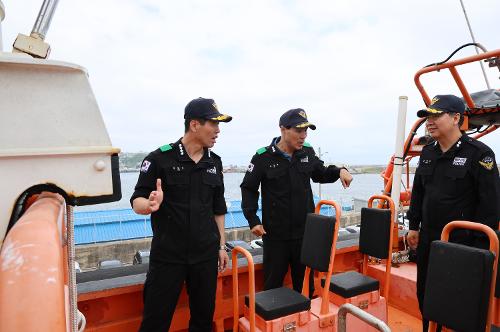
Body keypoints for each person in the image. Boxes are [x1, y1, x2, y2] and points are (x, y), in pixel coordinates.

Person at [131, 97, 232, 332]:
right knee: (155, 322)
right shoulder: (159, 159)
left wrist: (221, 246)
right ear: (194, 125)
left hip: (205, 256)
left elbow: (218, 209)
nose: (218, 130)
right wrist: (150, 204)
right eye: (213, 124)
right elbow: (137, 201)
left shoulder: (214, 163)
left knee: (203, 321)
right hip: (168, 257)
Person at [406, 94, 500, 332]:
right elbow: (418, 193)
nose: (430, 121)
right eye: (428, 116)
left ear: (456, 118)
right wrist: (414, 226)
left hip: (462, 244)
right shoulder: (427, 153)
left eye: (437, 115)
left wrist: (477, 249)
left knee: (456, 300)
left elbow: (491, 206)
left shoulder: (480, 154)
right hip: (429, 239)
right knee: (425, 292)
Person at [240, 108, 353, 293]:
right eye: (298, 131)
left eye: (306, 131)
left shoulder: (307, 152)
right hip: (275, 236)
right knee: (273, 287)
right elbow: (248, 188)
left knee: (305, 286)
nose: (303, 136)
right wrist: (253, 220)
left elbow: (321, 173)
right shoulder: (262, 157)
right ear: (283, 129)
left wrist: (340, 170)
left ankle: (305, 319)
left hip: (304, 234)